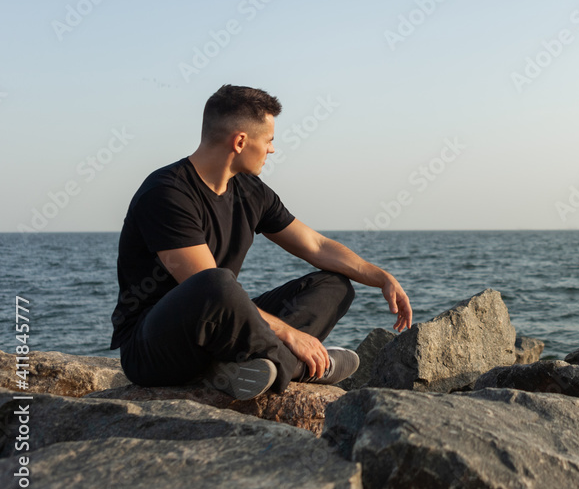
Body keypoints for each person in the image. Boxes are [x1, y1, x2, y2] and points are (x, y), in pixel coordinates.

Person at [108, 84, 412, 399]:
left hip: (221, 331)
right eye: (269, 140)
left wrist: (380, 277)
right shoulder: (167, 193)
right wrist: (291, 335)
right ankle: (297, 367)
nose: (272, 149)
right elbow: (203, 288)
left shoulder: (251, 190)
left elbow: (315, 246)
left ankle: (246, 367)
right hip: (153, 348)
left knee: (335, 285)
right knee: (216, 284)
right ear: (240, 141)